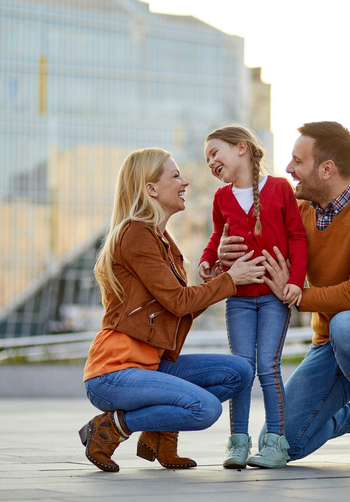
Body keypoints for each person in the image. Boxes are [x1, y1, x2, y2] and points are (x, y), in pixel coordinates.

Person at [217, 121, 350, 469]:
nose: (288, 169)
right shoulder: (299, 212)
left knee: (348, 323)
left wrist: (295, 295)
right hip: (331, 343)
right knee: (284, 443)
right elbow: (261, 252)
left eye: (298, 161)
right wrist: (224, 254)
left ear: (327, 169)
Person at [80, 147, 265, 473]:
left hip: (150, 365)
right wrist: (231, 281)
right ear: (151, 188)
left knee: (239, 372)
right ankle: (112, 427)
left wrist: (221, 274)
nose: (186, 182)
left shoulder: (161, 238)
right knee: (204, 409)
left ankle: (161, 435)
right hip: (114, 373)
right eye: (175, 175)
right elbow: (179, 302)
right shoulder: (136, 234)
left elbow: (176, 307)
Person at [198, 125, 308, 469]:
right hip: (239, 299)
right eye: (206, 159)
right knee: (242, 369)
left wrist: (296, 282)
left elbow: (298, 237)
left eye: (215, 153)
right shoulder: (221, 199)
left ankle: (276, 443)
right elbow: (218, 235)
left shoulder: (279, 188)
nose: (210, 162)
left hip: (275, 298)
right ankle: (238, 443)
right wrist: (207, 260)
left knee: (268, 368)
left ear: (241, 148)